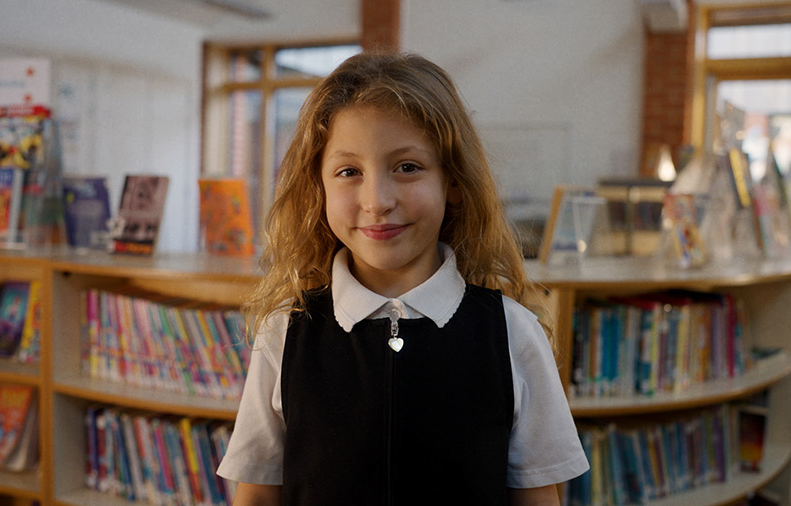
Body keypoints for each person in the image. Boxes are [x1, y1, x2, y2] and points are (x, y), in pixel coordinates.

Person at [217, 51, 589, 506]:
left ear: (453, 182)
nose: (377, 201)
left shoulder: (512, 332)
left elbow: (537, 497)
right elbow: (257, 492)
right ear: (320, 188)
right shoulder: (285, 333)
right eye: (349, 172)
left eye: (407, 167)